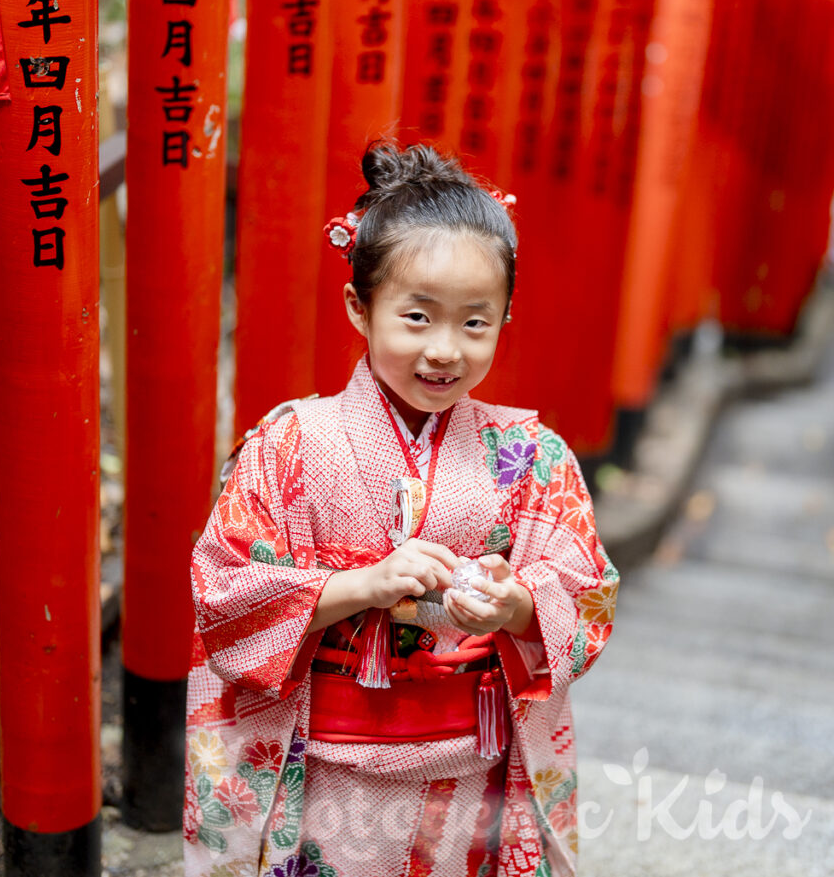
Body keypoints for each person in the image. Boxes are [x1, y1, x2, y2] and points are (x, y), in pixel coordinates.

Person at [184, 143, 618, 877]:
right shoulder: (292, 442)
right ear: (360, 305)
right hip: (324, 763)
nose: (444, 350)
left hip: (470, 763)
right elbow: (223, 586)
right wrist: (362, 586)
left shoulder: (532, 454)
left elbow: (588, 590)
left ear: (505, 316)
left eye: (475, 323)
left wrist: (515, 604)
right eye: (417, 316)